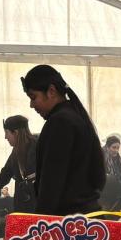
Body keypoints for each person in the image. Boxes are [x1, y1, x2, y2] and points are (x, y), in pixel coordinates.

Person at [23, 65, 104, 215]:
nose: (32, 105)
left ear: (51, 91)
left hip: (68, 222)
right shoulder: (74, 116)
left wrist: (41, 221)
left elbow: (51, 182)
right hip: (85, 217)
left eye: (33, 97)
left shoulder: (60, 122)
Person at [0, 114, 39, 215]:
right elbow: (4, 177)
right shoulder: (16, 152)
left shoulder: (39, 147)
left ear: (15, 133)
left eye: (7, 133)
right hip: (22, 208)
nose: (5, 137)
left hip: (38, 208)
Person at [101, 135, 121, 210]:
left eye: (118, 148)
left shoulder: (118, 159)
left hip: (114, 188)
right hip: (103, 191)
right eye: (114, 147)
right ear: (107, 147)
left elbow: (120, 173)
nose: (116, 150)